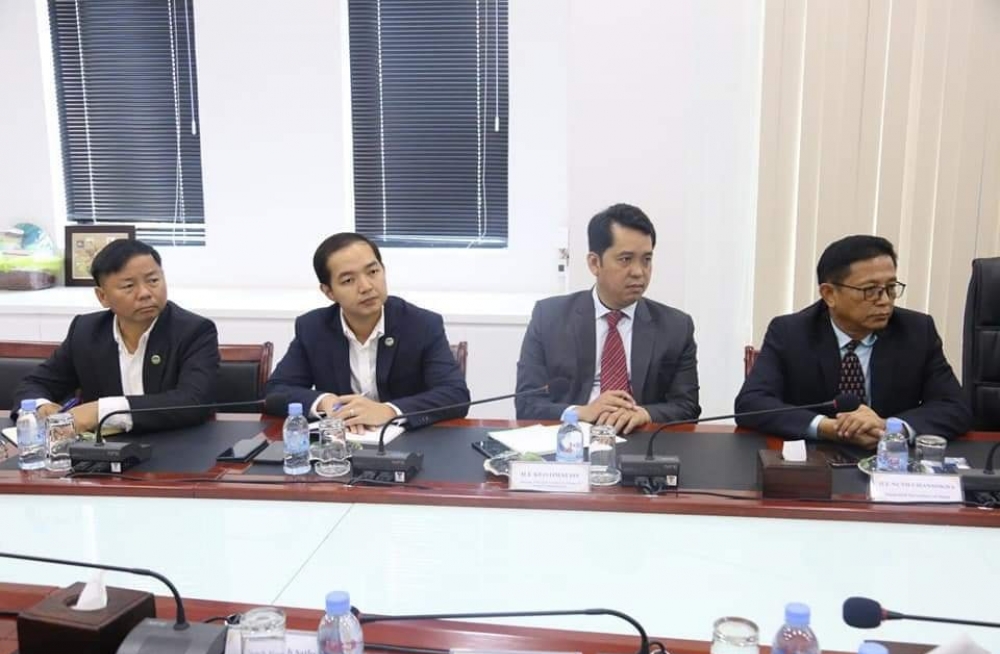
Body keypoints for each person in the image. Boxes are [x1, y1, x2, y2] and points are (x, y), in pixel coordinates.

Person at [735, 234, 972, 445]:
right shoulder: (790, 332)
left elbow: (955, 407)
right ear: (829, 294)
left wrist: (889, 427)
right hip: (816, 459)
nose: (885, 300)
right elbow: (752, 403)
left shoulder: (917, 331)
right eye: (870, 290)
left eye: (890, 287)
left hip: (891, 460)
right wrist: (827, 428)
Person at [515, 203, 701, 433]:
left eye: (646, 259)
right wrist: (580, 412)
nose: (639, 272)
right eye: (625, 259)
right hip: (572, 439)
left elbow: (688, 407)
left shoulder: (676, 327)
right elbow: (526, 404)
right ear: (595, 263)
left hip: (642, 438)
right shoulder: (549, 317)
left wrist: (645, 414)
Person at [265, 232, 470, 431]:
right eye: (348, 280)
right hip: (341, 444)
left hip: (408, 443)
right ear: (329, 292)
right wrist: (324, 402)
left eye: (372, 272)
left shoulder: (422, 324)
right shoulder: (313, 328)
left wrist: (389, 411)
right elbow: (276, 391)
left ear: (383, 270)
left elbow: (456, 395)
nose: (366, 287)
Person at [12, 239, 220, 434]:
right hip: (104, 451)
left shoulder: (195, 331)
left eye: (153, 280)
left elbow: (194, 401)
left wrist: (101, 411)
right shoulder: (85, 331)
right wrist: (40, 407)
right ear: (102, 296)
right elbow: (34, 384)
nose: (145, 293)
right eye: (129, 286)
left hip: (177, 444)